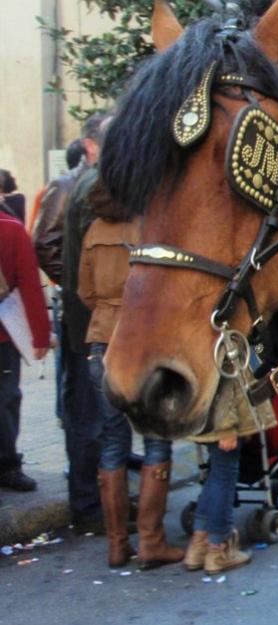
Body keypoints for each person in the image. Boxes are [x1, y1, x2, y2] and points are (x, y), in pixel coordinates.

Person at [78, 212, 184, 569]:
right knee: (156, 438)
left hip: (101, 341)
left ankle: (117, 546)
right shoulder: (148, 223)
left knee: (113, 443)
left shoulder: (94, 228)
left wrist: (109, 311)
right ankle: (151, 541)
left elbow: (86, 290)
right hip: (145, 339)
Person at [59, 113, 112, 534]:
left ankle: (94, 505)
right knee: (90, 420)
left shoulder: (86, 185)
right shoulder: (97, 188)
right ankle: (89, 507)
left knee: (93, 419)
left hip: (89, 317)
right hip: (91, 322)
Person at [183, 389, 276, 575]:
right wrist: (227, 426)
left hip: (203, 411)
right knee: (223, 473)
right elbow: (223, 377)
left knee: (217, 472)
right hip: (220, 416)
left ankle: (200, 543)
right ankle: (218, 548)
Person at [0, 214, 51, 496]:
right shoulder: (11, 229)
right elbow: (30, 284)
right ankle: (7, 466)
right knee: (5, 400)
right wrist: (40, 335)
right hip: (4, 336)